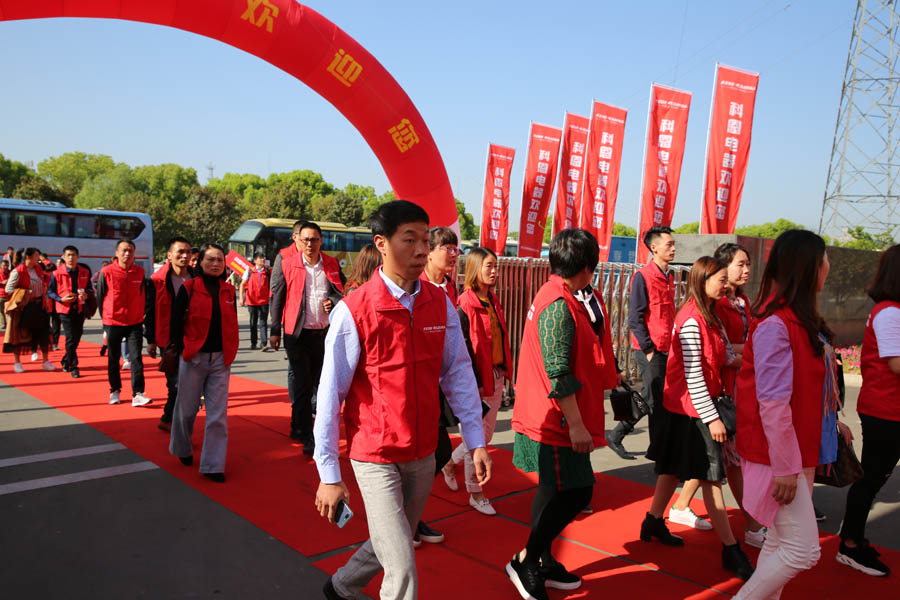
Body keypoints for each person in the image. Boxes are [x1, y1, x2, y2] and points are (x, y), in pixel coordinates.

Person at [315, 201, 491, 600]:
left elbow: (458, 373)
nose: (421, 250)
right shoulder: (354, 311)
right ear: (382, 243)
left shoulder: (439, 303)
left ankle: (341, 586)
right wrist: (329, 474)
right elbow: (329, 394)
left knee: (391, 541)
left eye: (426, 241)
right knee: (402, 566)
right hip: (375, 454)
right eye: (409, 240)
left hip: (423, 452)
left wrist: (475, 440)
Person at [734, 230, 852, 599]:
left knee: (779, 544)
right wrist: (784, 467)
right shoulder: (777, 325)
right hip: (779, 456)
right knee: (803, 551)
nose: (828, 266)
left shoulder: (798, 322)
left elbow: (805, 390)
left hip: (794, 451)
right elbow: (772, 404)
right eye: (824, 259)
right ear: (809, 267)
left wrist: (831, 423)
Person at [507, 229, 620, 600]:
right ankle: (527, 559)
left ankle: (541, 559)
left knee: (555, 488)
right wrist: (576, 425)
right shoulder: (558, 303)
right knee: (576, 490)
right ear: (587, 267)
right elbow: (557, 371)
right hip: (554, 418)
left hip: (554, 414)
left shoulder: (564, 295)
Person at [655, 256, 755, 580]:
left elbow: (723, 355)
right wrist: (712, 419)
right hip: (692, 408)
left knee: (675, 469)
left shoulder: (711, 316)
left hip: (695, 406)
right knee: (711, 476)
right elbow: (694, 375)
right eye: (721, 279)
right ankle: (731, 549)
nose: (726, 285)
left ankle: (653, 520)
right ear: (703, 280)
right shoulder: (692, 320)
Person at [624, 226, 711, 536]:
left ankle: (641, 445)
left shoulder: (669, 276)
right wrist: (648, 349)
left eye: (674, 244)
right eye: (669, 244)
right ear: (654, 248)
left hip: (667, 348)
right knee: (656, 405)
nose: (674, 249)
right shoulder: (642, 276)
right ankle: (658, 459)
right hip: (651, 351)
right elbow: (635, 316)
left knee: (659, 404)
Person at [837, 244, 900, 577]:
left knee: (874, 477)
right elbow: (896, 363)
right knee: (871, 478)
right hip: (885, 409)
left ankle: (853, 540)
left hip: (889, 407)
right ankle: (850, 545)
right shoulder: (890, 311)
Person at [270, 220, 345, 454]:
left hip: (324, 334)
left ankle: (300, 426)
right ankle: (306, 435)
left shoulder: (331, 263)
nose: (310, 244)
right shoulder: (288, 264)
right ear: (298, 241)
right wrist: (274, 330)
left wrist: (332, 301)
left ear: (321, 241)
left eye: (314, 239)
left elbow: (340, 291)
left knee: (321, 385)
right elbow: (277, 298)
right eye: (306, 240)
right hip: (297, 334)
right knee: (303, 385)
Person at [447, 247, 511, 515]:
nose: (494, 271)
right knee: (478, 439)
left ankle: (450, 463)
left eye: (496, 266)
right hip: (475, 379)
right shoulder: (465, 303)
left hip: (495, 375)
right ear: (475, 268)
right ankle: (476, 493)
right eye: (489, 266)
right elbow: (465, 347)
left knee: (484, 435)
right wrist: (472, 381)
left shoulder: (492, 299)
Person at [168, 243, 239, 483]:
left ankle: (213, 465)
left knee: (217, 415)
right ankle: (182, 447)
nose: (215, 264)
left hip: (221, 360)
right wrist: (183, 351)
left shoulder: (229, 291)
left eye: (220, 259)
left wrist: (231, 351)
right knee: (186, 410)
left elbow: (232, 323)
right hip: (193, 358)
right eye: (210, 259)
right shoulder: (188, 288)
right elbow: (176, 323)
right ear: (200, 262)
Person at [713, 243, 766, 549]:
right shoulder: (718, 303)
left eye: (748, 264)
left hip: (744, 385)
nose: (747, 270)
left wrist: (745, 352)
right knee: (732, 458)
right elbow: (721, 350)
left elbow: (738, 346)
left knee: (719, 459)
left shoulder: (743, 300)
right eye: (740, 264)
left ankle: (673, 507)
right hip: (724, 389)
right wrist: (752, 353)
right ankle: (753, 525)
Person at [96, 239, 152, 407]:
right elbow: (100, 296)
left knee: (136, 358)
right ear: (117, 253)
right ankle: (115, 390)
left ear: (134, 254)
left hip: (135, 322)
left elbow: (144, 295)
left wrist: (142, 314)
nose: (127, 254)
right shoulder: (106, 272)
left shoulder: (140, 272)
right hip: (113, 321)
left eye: (130, 251)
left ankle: (138, 393)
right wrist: (105, 321)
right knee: (113, 359)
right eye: (124, 250)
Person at [146, 237, 193, 432]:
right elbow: (150, 311)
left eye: (188, 252)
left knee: (187, 384)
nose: (184, 256)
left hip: (193, 338)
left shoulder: (196, 278)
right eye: (180, 252)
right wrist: (150, 340)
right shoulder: (156, 280)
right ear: (169, 255)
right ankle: (169, 419)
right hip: (168, 340)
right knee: (175, 383)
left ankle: (170, 418)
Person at [3, 248, 55, 373]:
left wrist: (45, 301)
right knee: (19, 335)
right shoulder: (18, 271)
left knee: (43, 334)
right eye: (36, 256)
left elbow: (43, 286)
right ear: (28, 257)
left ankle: (45, 361)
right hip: (23, 307)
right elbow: (8, 289)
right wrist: (26, 293)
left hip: (39, 306)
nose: (39, 259)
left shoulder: (38, 270)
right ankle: (17, 362)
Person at [47, 246, 94, 378]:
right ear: (63, 257)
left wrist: (86, 294)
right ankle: (74, 366)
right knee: (70, 337)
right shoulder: (57, 273)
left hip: (80, 307)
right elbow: (50, 291)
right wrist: (60, 299)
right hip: (64, 309)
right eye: (68, 255)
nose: (71, 257)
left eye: (73, 255)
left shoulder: (84, 271)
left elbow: (90, 288)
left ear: (78, 257)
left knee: (77, 336)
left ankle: (66, 360)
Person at [240, 252, 271, 351]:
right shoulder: (249, 271)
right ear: (255, 261)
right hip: (251, 301)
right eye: (260, 258)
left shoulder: (268, 271)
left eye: (263, 258)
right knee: (253, 322)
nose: (262, 260)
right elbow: (242, 284)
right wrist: (241, 298)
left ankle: (263, 343)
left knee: (263, 322)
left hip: (264, 301)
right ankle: (253, 342)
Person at [0, 259, 10, 331]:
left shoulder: (11, 273)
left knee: (9, 311)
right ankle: (3, 324)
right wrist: (2, 282)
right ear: (1, 265)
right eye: (4, 265)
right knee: (1, 311)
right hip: (1, 294)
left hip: (9, 294)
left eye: (7, 265)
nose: (5, 267)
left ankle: (9, 324)